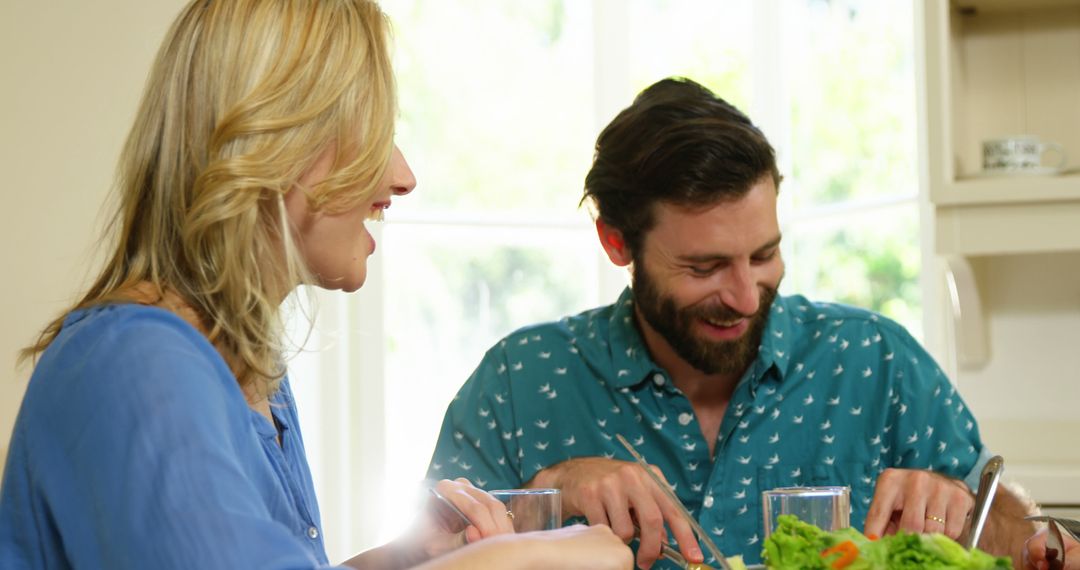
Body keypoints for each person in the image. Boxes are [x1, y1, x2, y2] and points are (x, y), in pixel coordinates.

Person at [0, 1, 632, 569]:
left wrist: (401, 561)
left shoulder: (249, 374)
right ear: (279, 139)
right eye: (376, 131)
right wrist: (524, 563)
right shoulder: (138, 365)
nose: (403, 175)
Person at [426, 77, 1037, 569]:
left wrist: (966, 509)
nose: (746, 297)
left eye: (764, 255)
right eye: (705, 266)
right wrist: (548, 490)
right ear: (616, 241)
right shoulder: (520, 379)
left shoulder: (877, 361)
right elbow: (419, 556)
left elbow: (1031, 542)